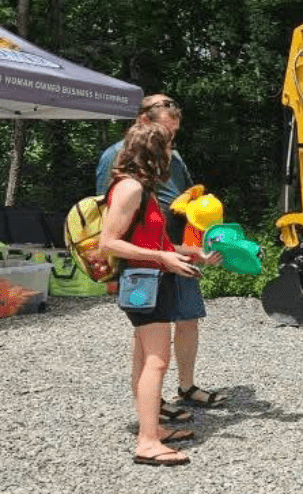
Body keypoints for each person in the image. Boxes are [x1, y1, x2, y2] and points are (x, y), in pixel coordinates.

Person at [96, 94, 226, 420]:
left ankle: (177, 394)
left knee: (183, 321)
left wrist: (190, 246)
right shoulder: (120, 165)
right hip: (146, 262)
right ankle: (150, 423)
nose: (169, 144)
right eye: (165, 135)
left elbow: (185, 197)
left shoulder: (170, 161)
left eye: (173, 135)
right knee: (152, 348)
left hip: (171, 249)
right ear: (143, 123)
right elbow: (106, 222)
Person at [98, 122, 206, 466]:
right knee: (157, 361)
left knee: (147, 360)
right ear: (154, 153)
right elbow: (108, 242)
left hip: (151, 277)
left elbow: (151, 241)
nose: (171, 157)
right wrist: (163, 258)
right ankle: (147, 441)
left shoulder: (143, 189)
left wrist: (189, 252)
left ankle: (153, 429)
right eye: (167, 149)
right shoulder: (130, 188)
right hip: (143, 281)